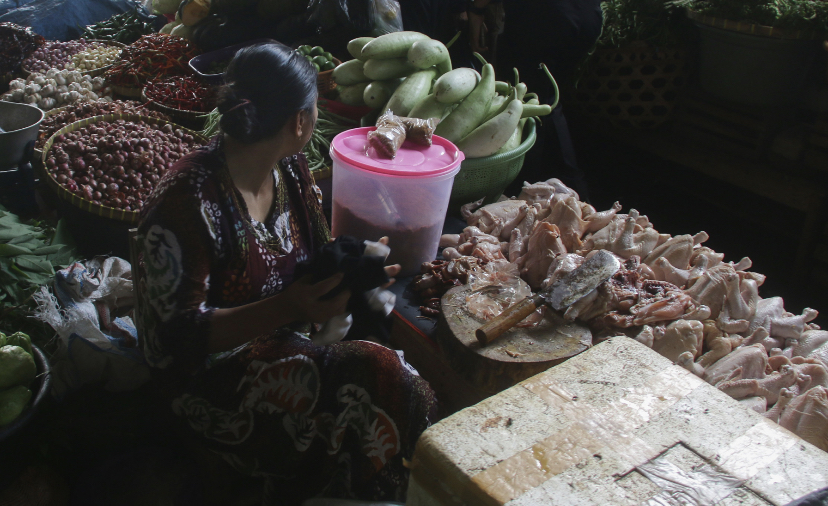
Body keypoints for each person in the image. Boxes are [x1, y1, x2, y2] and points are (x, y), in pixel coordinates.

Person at [136, 41, 437, 505]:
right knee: (379, 377)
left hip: (290, 336)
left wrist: (360, 264)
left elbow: (319, 253)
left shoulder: (291, 171)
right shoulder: (188, 203)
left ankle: (370, 484)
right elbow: (169, 340)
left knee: (384, 373)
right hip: (209, 381)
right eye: (314, 109)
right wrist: (286, 307)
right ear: (300, 122)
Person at [467, 0, 603, 201]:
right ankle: (558, 189)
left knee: (530, 102)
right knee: (547, 98)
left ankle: (540, 191)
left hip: (546, 16)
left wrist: (476, 11)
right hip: (587, 16)